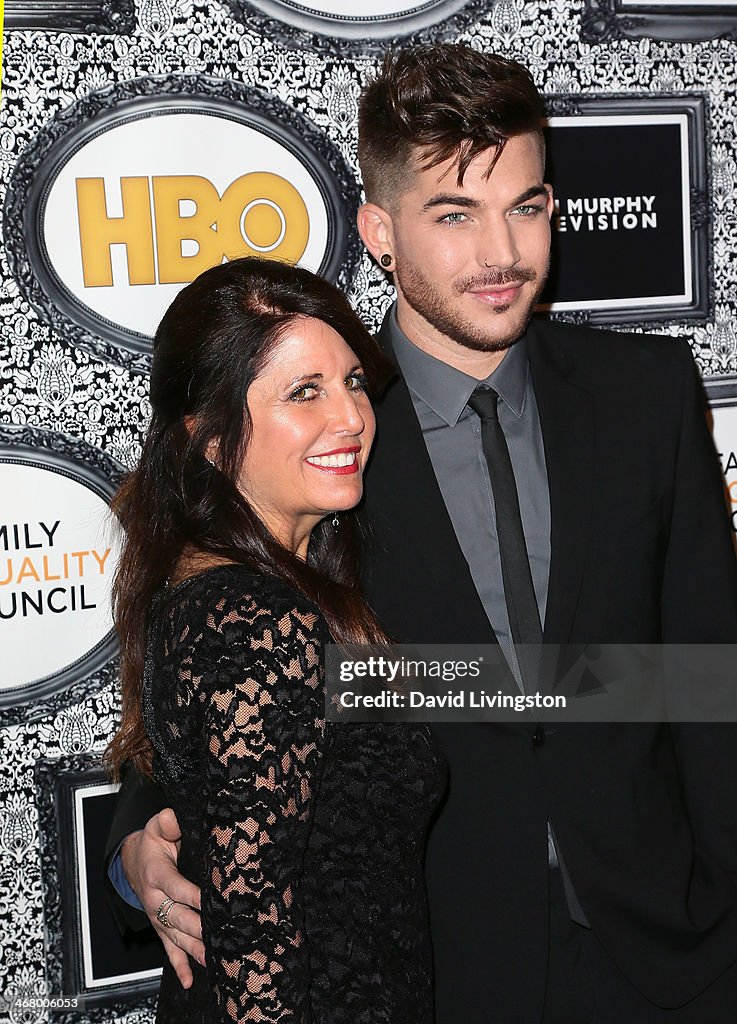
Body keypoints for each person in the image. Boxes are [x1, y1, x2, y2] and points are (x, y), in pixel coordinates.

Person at [106, 47, 737, 1023]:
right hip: (430, 966)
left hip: (662, 954)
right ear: (378, 231)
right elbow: (220, 649)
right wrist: (135, 838)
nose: (501, 253)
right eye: (454, 214)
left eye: (524, 205)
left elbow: (707, 672)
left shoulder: (644, 397)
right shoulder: (318, 440)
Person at [104, 256, 446, 1023]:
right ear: (212, 439)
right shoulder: (256, 611)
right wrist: (135, 844)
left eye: (354, 382)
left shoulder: (284, 565)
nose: (351, 418)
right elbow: (255, 942)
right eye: (304, 392)